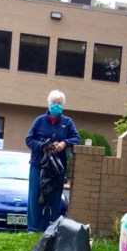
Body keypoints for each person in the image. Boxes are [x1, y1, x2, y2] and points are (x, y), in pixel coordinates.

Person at [25, 90, 80, 232]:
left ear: (63, 106)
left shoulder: (67, 122)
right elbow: (29, 140)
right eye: (54, 103)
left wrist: (63, 144)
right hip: (39, 165)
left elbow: (76, 138)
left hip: (57, 167)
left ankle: (51, 228)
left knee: (55, 196)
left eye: (59, 103)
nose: (56, 105)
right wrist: (44, 147)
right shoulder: (39, 120)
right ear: (49, 104)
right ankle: (33, 228)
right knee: (35, 196)